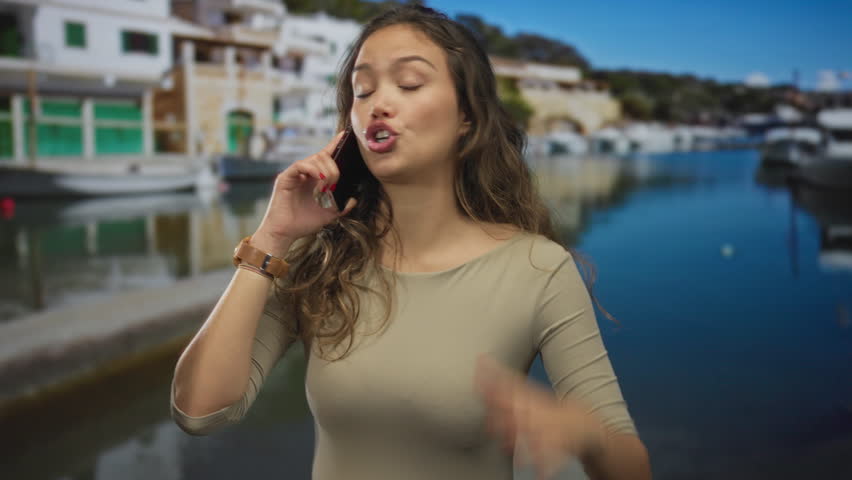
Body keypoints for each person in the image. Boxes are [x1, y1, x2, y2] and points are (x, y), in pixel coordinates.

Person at [169, 5, 651, 480]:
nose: (378, 102)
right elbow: (199, 412)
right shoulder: (319, 259)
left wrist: (585, 434)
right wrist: (271, 238)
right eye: (363, 90)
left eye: (410, 84)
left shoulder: (537, 268)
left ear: (467, 116)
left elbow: (632, 468)